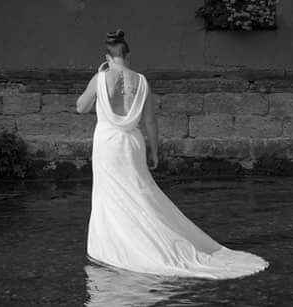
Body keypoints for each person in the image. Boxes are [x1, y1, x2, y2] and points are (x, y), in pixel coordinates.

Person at [76, 29, 269, 279]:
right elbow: (150, 122)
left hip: (108, 144)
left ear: (107, 56)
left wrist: (99, 80)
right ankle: (149, 240)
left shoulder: (100, 78)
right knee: (139, 192)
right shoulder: (141, 81)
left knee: (113, 195)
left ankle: (119, 244)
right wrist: (155, 151)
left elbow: (81, 107)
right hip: (133, 144)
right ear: (128, 55)